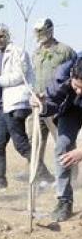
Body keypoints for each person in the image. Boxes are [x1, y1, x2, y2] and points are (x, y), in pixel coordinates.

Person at [0, 24, 51, 189]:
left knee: (21, 145)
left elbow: (19, 76)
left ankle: (46, 176)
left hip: (16, 105)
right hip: (4, 106)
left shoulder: (17, 51)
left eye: (1, 36)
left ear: (8, 36)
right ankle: (0, 181)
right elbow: (6, 80)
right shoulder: (0, 55)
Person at [35, 55, 82, 221]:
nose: (80, 92)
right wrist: (41, 105)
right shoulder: (62, 73)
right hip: (71, 109)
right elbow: (52, 100)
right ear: (72, 76)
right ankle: (64, 200)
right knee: (62, 146)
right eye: (77, 86)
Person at [29, 18, 75, 184]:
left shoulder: (64, 51)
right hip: (39, 104)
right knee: (34, 142)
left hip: (58, 104)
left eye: (42, 31)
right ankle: (41, 176)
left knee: (62, 143)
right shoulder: (36, 54)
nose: (39, 35)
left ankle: (69, 178)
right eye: (37, 32)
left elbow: (75, 73)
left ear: (50, 30)